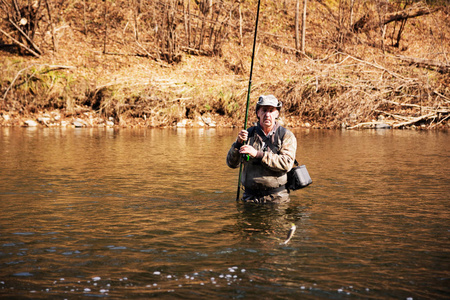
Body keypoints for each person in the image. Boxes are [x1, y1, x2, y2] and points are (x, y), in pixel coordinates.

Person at [227, 95, 297, 204]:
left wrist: (258, 154)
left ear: (277, 113)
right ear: (258, 113)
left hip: (277, 199)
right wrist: (237, 144)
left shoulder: (286, 135)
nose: (267, 115)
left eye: (271, 110)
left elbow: (287, 163)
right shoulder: (247, 135)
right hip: (250, 198)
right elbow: (232, 163)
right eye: (264, 110)